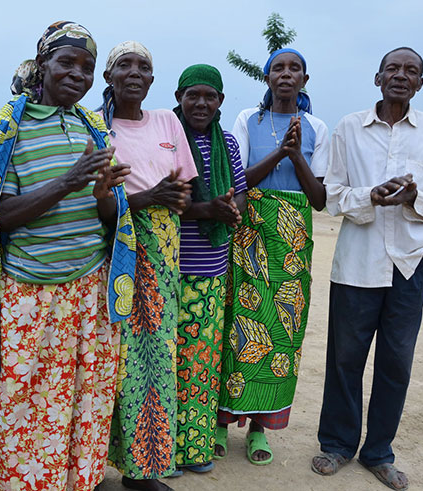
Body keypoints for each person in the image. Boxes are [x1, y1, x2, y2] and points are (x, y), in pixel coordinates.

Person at [0, 21, 136, 490]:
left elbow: (108, 215)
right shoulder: (9, 128)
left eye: (88, 67)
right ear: (43, 65)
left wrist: (102, 194)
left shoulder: (92, 127)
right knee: (20, 400)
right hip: (28, 291)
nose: (78, 74)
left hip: (89, 290)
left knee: (84, 397)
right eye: (66, 62)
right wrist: (66, 183)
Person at [312, 47, 423, 491]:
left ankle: (379, 452)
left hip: (409, 264)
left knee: (396, 361)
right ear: (377, 77)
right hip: (357, 261)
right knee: (345, 358)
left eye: (411, 71)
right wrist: (370, 197)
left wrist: (415, 198)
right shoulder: (349, 129)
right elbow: (332, 194)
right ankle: (338, 444)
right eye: (393, 68)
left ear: (420, 83)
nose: (401, 75)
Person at [217, 48, 328, 465]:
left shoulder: (317, 127)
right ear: (266, 78)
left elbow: (317, 198)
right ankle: (221, 423)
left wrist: (297, 153)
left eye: (294, 68)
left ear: (305, 78)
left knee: (282, 333)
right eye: (277, 68)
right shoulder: (248, 119)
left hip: (293, 241)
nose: (286, 75)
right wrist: (280, 151)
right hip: (250, 229)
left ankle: (261, 429)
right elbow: (237, 177)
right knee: (237, 325)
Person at [99, 41, 197, 491]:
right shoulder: (95, 128)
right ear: (109, 77)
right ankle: (95, 466)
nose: (134, 72)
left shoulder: (167, 121)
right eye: (125, 65)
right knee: (112, 359)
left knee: (157, 358)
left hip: (164, 251)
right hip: (116, 248)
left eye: (143, 66)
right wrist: (149, 198)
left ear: (153, 80)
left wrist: (172, 198)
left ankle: (144, 470)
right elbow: (94, 206)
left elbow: (184, 190)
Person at [171, 64, 246, 475]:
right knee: (167, 362)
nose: (201, 103)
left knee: (201, 362)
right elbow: (161, 199)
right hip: (168, 267)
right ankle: (162, 452)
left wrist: (229, 209)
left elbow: (242, 198)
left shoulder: (228, 144)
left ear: (220, 102)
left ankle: (195, 449)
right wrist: (205, 209)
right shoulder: (165, 137)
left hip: (211, 271)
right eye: (193, 95)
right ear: (179, 96)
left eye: (210, 96)